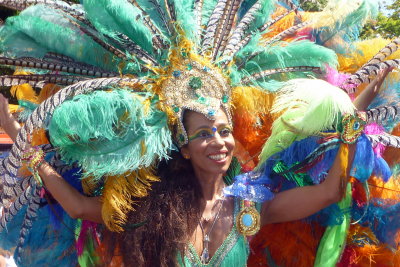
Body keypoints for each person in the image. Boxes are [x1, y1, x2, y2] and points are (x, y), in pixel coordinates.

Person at [0, 67, 391, 266]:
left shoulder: (249, 208)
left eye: (223, 130)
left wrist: (349, 132)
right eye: (204, 133)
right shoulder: (153, 206)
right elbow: (80, 208)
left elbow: (328, 192)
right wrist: (23, 143)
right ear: (184, 149)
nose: (219, 141)